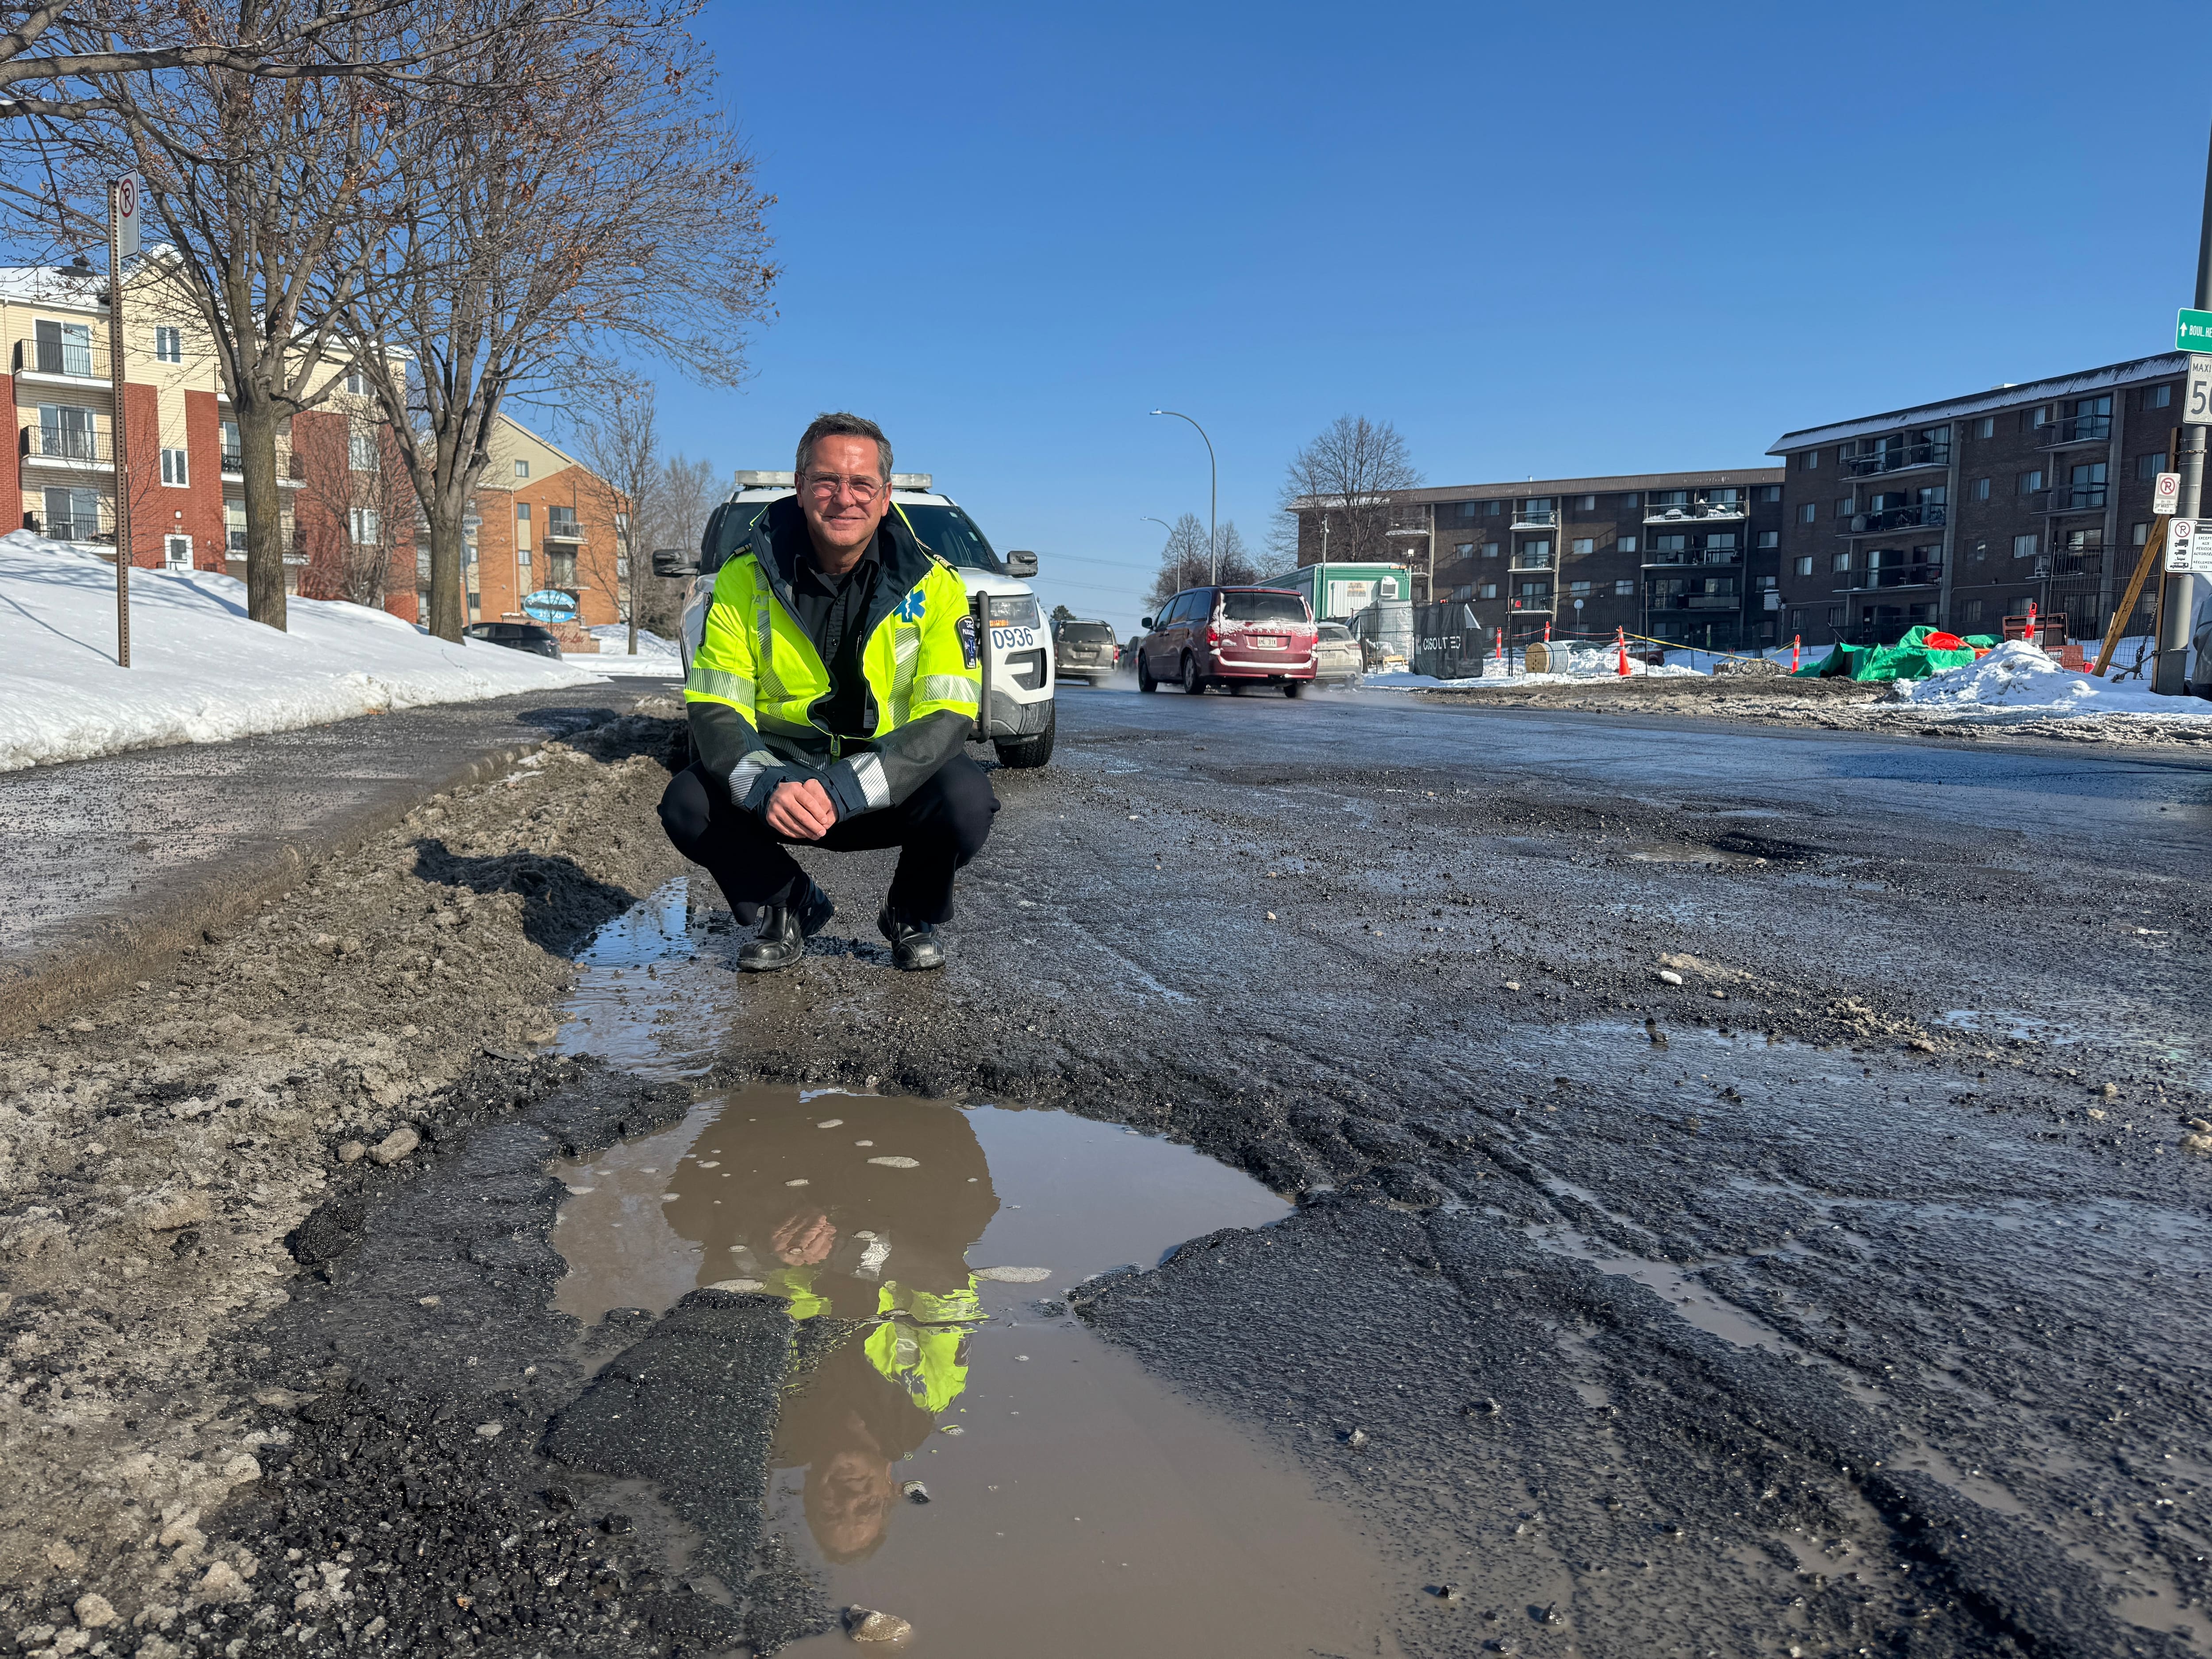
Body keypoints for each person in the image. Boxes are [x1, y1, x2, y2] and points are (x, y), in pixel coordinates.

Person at [659, 413, 997, 971]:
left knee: (966, 797)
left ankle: (909, 912)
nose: (844, 498)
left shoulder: (936, 586)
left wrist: (845, 789)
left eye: (862, 484)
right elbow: (715, 706)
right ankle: (789, 905)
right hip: (784, 776)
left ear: (885, 497)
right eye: (826, 481)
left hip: (884, 778)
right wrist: (767, 784)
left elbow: (948, 713)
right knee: (686, 802)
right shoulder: (743, 579)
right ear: (800, 487)